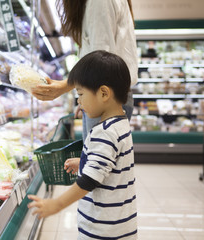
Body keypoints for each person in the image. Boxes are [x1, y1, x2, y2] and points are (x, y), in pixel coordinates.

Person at [28, 50, 137, 239]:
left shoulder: (104, 132)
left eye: (81, 94)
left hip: (101, 229)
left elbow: (89, 180)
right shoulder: (121, 123)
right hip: (119, 225)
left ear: (103, 93)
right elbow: (109, 163)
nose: (79, 101)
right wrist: (84, 162)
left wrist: (57, 204)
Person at [31, 0, 138, 142]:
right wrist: (85, 97)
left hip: (106, 99)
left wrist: (65, 86)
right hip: (104, 95)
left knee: (98, 159)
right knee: (102, 157)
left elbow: (100, 61)